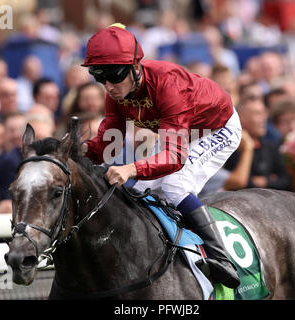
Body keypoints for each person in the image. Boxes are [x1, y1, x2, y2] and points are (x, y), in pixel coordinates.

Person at [81, 24, 241, 288]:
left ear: (135, 67)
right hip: (181, 132)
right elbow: (107, 144)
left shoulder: (169, 85)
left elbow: (175, 157)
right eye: (100, 78)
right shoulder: (117, 94)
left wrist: (131, 167)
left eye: (114, 76)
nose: (108, 87)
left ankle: (220, 257)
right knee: (138, 190)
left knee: (174, 185)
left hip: (215, 129)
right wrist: (77, 150)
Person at [224, 96, 291, 190]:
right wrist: (271, 179)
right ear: (240, 118)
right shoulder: (229, 148)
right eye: (257, 114)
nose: (263, 119)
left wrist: (265, 181)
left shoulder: (271, 146)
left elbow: (286, 180)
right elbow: (237, 183)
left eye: (264, 113)